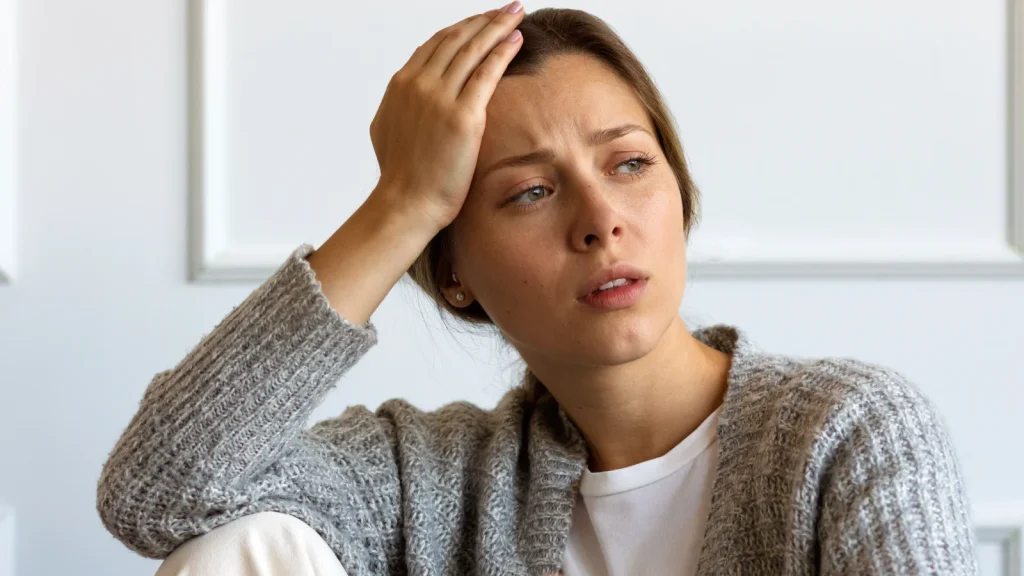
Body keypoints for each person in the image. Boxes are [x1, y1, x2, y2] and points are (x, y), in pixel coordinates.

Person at [96, 3, 980, 575]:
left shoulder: (847, 434)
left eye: (631, 164)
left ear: (680, 195)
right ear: (453, 277)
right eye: (530, 191)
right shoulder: (425, 482)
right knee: (240, 549)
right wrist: (399, 205)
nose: (601, 220)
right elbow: (155, 495)